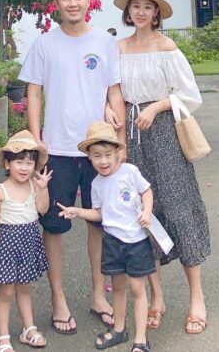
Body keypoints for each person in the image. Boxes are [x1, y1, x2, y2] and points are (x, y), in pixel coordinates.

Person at [18, 0, 126, 336]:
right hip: (57, 151)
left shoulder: (104, 42)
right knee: (55, 226)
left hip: (98, 150)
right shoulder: (45, 45)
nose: (72, 3)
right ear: (57, 3)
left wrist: (118, 136)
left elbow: (114, 91)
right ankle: (59, 298)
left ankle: (99, 294)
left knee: (98, 222)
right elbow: (33, 93)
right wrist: (36, 141)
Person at [109, 0, 210, 336]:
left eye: (147, 7)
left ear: (156, 14)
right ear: (128, 11)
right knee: (142, 215)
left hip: (163, 132)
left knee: (179, 207)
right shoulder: (117, 49)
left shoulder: (167, 47)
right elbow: (111, 90)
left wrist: (156, 105)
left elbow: (190, 94)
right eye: (135, 6)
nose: (140, 12)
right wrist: (112, 111)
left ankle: (197, 297)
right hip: (130, 137)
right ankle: (157, 297)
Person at [58, 121, 154, 352]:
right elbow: (100, 214)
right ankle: (119, 330)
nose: (103, 161)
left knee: (138, 289)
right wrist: (78, 211)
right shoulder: (96, 183)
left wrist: (147, 211)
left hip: (136, 241)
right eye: (97, 156)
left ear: (118, 153)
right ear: (89, 158)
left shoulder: (130, 172)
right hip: (112, 242)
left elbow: (146, 191)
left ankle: (141, 339)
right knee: (118, 287)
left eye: (108, 154)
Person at [0, 130, 52, 352]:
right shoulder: (0, 190)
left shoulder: (33, 186)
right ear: (7, 164)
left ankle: (28, 328)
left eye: (29, 163)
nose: (24, 167)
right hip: (8, 245)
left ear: (35, 166)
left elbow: (42, 210)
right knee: (6, 291)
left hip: (29, 241)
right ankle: (2, 335)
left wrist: (43, 189)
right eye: (19, 162)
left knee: (24, 288)